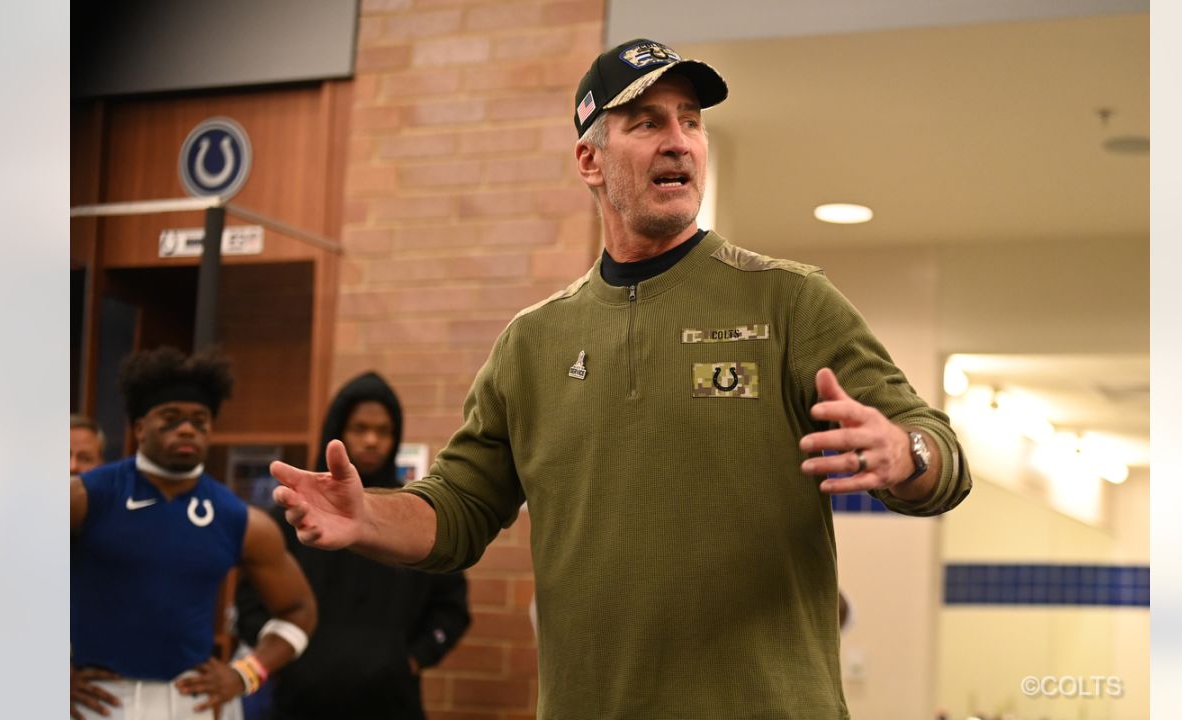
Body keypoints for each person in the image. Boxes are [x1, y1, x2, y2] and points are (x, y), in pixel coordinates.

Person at [271, 38, 972, 719]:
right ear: (590, 160)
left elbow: (942, 454)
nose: (680, 140)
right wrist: (368, 519)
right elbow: (458, 509)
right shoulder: (532, 343)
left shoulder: (789, 301)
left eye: (690, 121)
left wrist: (902, 453)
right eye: (647, 123)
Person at [71, 347, 318, 720]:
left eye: (198, 421)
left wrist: (245, 674)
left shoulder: (240, 519)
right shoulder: (84, 497)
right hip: (97, 700)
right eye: (170, 419)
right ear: (139, 428)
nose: (186, 429)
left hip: (194, 701)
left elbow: (300, 611)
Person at [236, 371, 470, 720]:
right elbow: (250, 605)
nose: (372, 440)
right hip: (299, 703)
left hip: (391, 703)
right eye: (359, 429)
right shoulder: (290, 517)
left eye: (384, 431)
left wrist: (411, 659)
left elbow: (451, 608)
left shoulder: (417, 518)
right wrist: (288, 657)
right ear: (338, 432)